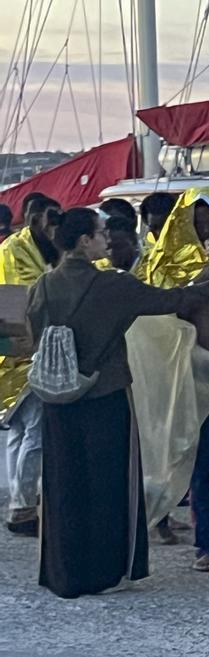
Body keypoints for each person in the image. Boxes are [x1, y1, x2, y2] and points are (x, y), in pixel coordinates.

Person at [27, 207, 209, 598]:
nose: (107, 238)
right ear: (84, 242)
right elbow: (170, 300)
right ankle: (106, 572)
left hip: (56, 401)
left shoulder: (42, 286)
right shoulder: (112, 285)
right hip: (104, 396)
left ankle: (65, 573)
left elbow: (35, 333)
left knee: (64, 485)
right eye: (100, 233)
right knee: (109, 487)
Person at [140, 187, 209, 572]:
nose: (206, 230)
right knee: (201, 460)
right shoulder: (174, 264)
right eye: (197, 223)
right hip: (199, 368)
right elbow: (167, 310)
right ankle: (207, 544)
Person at [0, 193, 60, 535]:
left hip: (21, 351)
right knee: (34, 431)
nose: (56, 228)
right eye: (52, 220)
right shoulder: (15, 249)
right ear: (36, 217)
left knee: (20, 433)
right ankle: (22, 508)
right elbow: (34, 293)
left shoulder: (32, 247)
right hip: (23, 352)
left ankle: (20, 501)